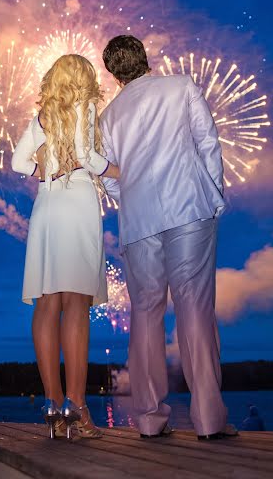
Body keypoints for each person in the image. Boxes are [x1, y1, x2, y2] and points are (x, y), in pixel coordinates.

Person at [100, 35, 237, 440]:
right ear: (144, 58)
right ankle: (210, 419)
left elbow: (107, 176)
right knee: (195, 309)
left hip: (139, 222)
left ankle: (148, 419)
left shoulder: (107, 118)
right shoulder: (181, 86)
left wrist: (129, 205)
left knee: (144, 315)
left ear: (112, 73)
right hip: (189, 208)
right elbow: (208, 143)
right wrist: (214, 196)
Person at [12, 54, 119, 439]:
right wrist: (118, 171)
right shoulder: (87, 106)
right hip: (76, 201)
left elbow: (16, 162)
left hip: (46, 204)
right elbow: (88, 156)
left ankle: (52, 404)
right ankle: (78, 405)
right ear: (85, 79)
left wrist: (42, 169)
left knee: (47, 302)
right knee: (76, 303)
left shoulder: (42, 117)